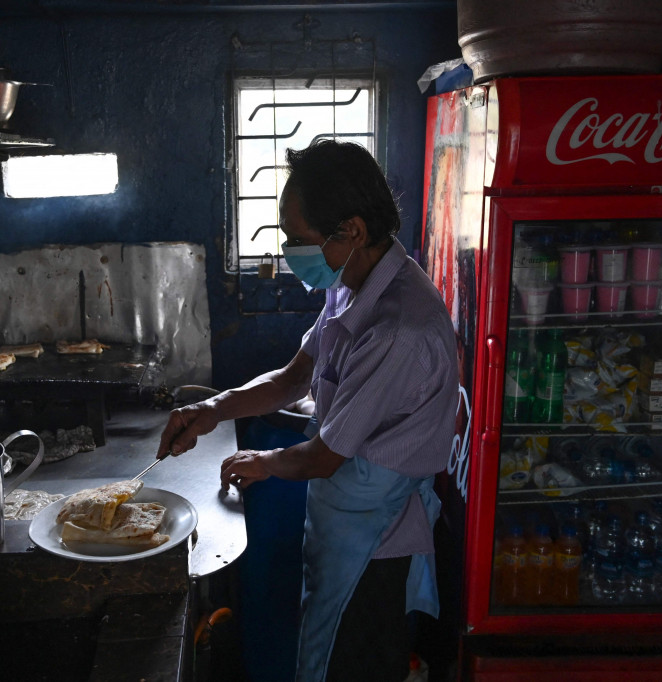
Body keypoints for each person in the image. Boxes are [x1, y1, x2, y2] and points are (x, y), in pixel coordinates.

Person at [156, 139, 458, 682]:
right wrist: (214, 408)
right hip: (344, 518)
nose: (290, 250)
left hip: (375, 540)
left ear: (353, 231)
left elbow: (324, 457)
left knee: (352, 664)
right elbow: (296, 375)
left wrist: (266, 462)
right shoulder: (352, 285)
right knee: (322, 655)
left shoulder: (399, 328)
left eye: (299, 240)